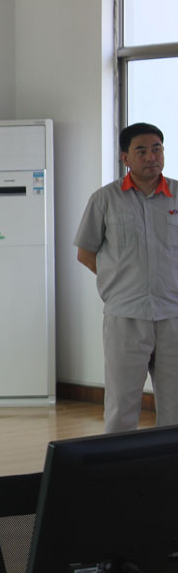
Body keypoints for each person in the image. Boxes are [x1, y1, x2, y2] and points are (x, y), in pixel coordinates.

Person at [74, 122, 178, 433]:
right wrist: (120, 281)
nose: (151, 157)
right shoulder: (105, 199)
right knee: (122, 405)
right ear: (125, 158)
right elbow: (85, 253)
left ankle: (168, 462)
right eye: (141, 151)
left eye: (157, 149)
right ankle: (119, 464)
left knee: (175, 407)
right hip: (126, 314)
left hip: (173, 314)